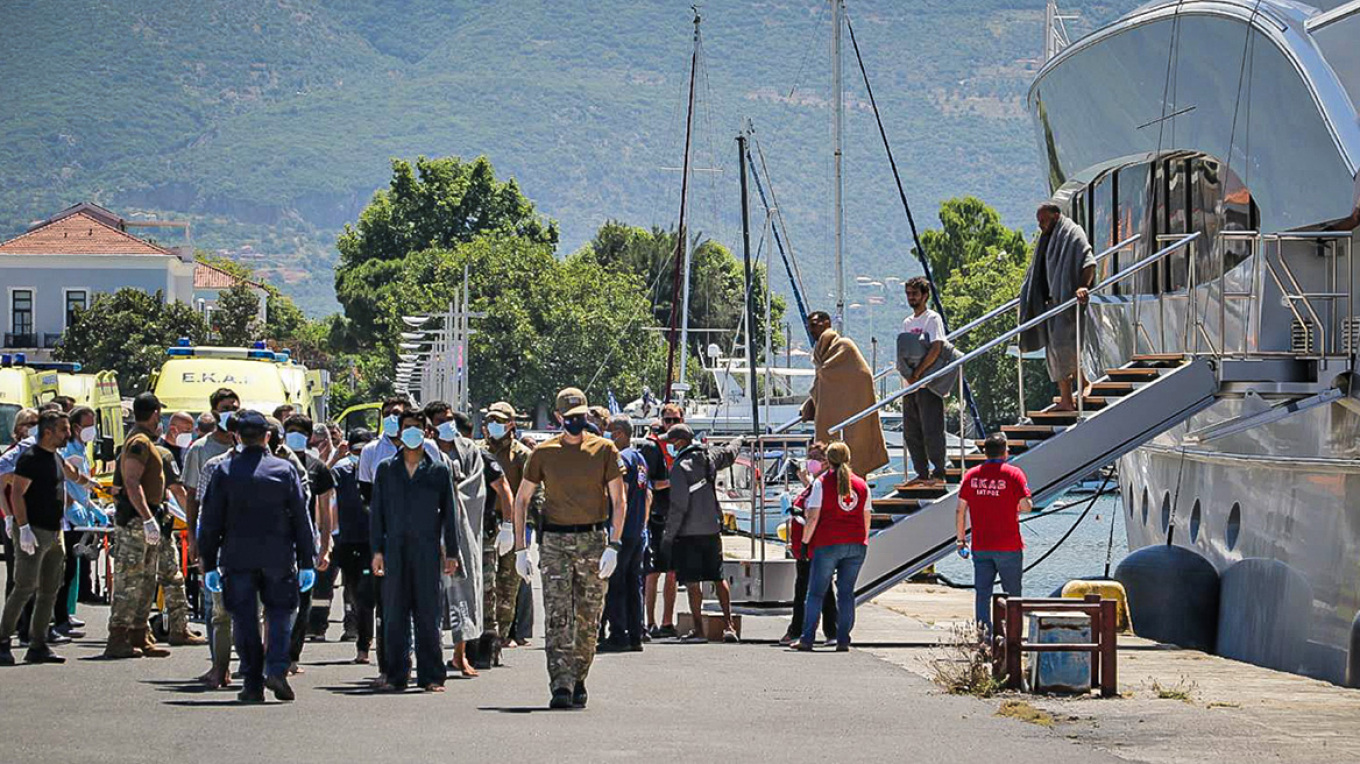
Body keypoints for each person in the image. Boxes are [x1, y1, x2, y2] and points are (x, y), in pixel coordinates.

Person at [511, 387, 627, 710]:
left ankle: (579, 677)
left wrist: (614, 544)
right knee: (559, 615)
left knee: (589, 617)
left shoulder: (604, 450)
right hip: (555, 543)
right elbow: (522, 500)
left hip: (592, 540)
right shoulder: (544, 454)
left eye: (582, 417)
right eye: (571, 418)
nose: (577, 423)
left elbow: (620, 500)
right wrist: (520, 548)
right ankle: (560, 683)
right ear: (560, 418)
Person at [199, 410, 317, 703]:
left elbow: (210, 521)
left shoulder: (224, 471)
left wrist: (209, 563)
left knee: (244, 620)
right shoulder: (284, 470)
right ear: (267, 437)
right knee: (278, 616)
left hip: (237, 558)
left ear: (237, 437)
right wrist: (306, 561)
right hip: (278, 557)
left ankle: (252, 681)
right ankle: (276, 668)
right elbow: (301, 519)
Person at [370, 409, 461, 692]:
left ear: (426, 433)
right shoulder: (386, 469)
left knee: (428, 614)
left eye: (417, 428)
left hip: (427, 549)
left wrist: (452, 552)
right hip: (395, 549)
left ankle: (432, 675)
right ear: (400, 431)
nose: (412, 433)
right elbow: (377, 513)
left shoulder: (438, 470)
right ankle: (396, 675)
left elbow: (450, 513)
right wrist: (377, 551)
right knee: (394, 614)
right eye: (407, 427)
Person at [104, 392, 173, 660]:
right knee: (129, 580)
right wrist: (146, 517)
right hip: (135, 520)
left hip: (147, 518)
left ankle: (139, 634)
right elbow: (131, 482)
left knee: (146, 579)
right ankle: (118, 636)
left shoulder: (144, 440)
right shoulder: (139, 442)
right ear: (154, 413)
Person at [0, 410, 73, 664]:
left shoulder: (55, 457)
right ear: (48, 432)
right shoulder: (31, 458)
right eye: (63, 429)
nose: (69, 434)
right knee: (24, 587)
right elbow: (17, 493)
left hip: (55, 532)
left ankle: (38, 643)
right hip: (35, 531)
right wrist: (23, 527)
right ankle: (2, 641)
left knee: (50, 589)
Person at [424, 401, 487, 675]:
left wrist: (450, 497)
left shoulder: (469, 450)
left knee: (464, 592)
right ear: (429, 425)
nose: (447, 424)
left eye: (449, 418)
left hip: (461, 533)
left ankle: (460, 654)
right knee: (429, 596)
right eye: (440, 420)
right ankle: (431, 655)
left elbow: (475, 488)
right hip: (428, 533)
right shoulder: (424, 452)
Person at [183, 387, 241, 685]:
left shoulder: (250, 446)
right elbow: (193, 498)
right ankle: (219, 664)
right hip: (213, 539)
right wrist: (193, 537)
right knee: (214, 606)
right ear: (214, 412)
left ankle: (246, 662)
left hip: (244, 542)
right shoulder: (201, 451)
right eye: (225, 407)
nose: (231, 410)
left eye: (235, 406)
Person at [661, 424, 739, 643]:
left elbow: (678, 506)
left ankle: (699, 630)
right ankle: (729, 625)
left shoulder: (679, 467)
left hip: (688, 533)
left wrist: (668, 536)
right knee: (718, 576)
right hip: (712, 528)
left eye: (670, 442)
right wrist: (740, 438)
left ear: (678, 442)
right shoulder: (709, 457)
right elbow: (730, 453)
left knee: (693, 582)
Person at [792, 442, 871, 652]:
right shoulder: (861, 485)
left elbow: (813, 517)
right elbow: (866, 517)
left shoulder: (821, 483)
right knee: (846, 593)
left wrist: (805, 542)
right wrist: (862, 540)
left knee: (816, 593)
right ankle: (843, 639)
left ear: (829, 460)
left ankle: (807, 638)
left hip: (828, 543)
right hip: (856, 544)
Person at [1020, 202, 1096, 412]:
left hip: (1067, 302)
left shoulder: (1072, 232)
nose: (1040, 226)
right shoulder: (1049, 237)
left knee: (1063, 348)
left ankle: (1073, 393)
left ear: (1055, 216)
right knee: (1056, 351)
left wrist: (1082, 286)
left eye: (1043, 221)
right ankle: (1072, 394)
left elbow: (1089, 262)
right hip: (1051, 304)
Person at [956, 432, 1032, 632]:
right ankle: (1013, 636)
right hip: (1009, 545)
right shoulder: (1014, 474)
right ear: (1005, 452)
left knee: (982, 593)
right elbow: (1026, 506)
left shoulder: (971, 476)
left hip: (981, 545)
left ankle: (984, 636)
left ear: (985, 452)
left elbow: (960, 510)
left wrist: (961, 540)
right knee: (1013, 594)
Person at [479, 401, 538, 655]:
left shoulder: (523, 455)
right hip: (484, 525)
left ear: (511, 424)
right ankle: (484, 635)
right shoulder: (478, 451)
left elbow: (535, 491)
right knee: (485, 584)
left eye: (500, 421)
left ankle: (502, 636)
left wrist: (526, 527)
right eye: (491, 420)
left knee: (509, 585)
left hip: (513, 526)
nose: (494, 425)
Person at [801, 310, 889, 477]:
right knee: (825, 452)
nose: (811, 330)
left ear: (827, 324)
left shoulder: (845, 346)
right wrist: (811, 402)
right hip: (828, 415)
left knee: (853, 452)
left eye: (814, 325)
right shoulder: (820, 352)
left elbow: (862, 376)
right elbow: (822, 380)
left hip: (852, 411)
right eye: (809, 326)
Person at [283, 414, 335, 671]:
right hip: (276, 543)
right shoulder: (273, 463)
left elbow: (325, 514)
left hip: (306, 543)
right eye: (290, 430)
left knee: (303, 601)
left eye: (300, 432)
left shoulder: (318, 468)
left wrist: (325, 548)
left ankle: (292, 655)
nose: (295, 436)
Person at [898, 276, 959, 487]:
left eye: (915, 293)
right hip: (910, 385)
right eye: (908, 294)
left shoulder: (932, 319)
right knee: (911, 431)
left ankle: (939, 472)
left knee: (932, 429)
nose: (911, 298)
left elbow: (937, 347)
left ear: (925, 295)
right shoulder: (907, 322)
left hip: (928, 384)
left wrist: (920, 372)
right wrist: (908, 375)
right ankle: (922, 473)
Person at [780, 441, 838, 646]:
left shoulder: (823, 483)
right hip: (807, 544)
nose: (811, 461)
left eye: (817, 458)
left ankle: (799, 630)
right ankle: (831, 631)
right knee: (821, 590)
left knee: (806, 590)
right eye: (810, 457)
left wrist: (799, 516)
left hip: (814, 545)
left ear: (826, 462)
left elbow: (815, 513)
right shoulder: (815, 483)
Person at [600, 414, 650, 652]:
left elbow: (620, 494)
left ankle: (619, 633)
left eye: (609, 431)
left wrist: (614, 532)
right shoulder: (640, 458)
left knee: (616, 583)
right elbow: (648, 496)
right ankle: (636, 633)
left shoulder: (623, 459)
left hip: (622, 530)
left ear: (618, 433)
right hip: (637, 530)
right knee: (633, 583)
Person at [333, 429, 377, 664]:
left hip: (374, 541)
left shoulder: (380, 470)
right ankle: (360, 639)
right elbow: (325, 497)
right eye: (355, 451)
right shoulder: (340, 471)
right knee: (355, 593)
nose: (358, 456)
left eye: (363, 451)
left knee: (369, 594)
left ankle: (367, 645)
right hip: (348, 541)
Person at [639, 402, 682, 639]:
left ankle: (667, 622)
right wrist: (672, 480)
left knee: (673, 573)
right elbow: (648, 483)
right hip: (655, 517)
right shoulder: (652, 448)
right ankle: (650, 622)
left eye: (675, 420)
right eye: (667, 421)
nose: (671, 425)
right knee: (652, 572)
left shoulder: (688, 446)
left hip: (677, 518)